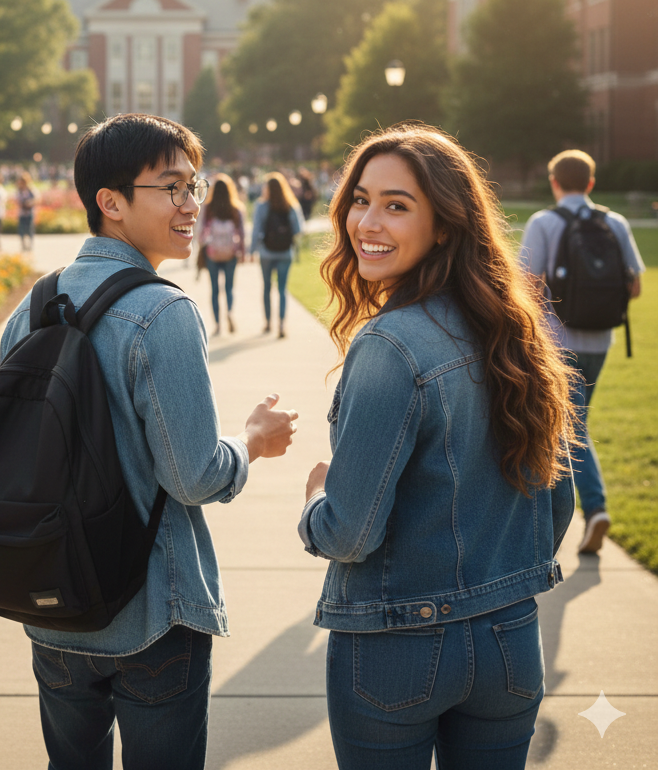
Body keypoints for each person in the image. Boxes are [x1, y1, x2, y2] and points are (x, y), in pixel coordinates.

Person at [0, 113, 298, 770]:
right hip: (149, 613)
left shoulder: (34, 304)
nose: (192, 204)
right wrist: (251, 442)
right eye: (171, 188)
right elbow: (192, 475)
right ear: (111, 202)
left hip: (49, 598)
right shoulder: (161, 312)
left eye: (195, 184)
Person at [299, 124, 576, 770]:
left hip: (398, 650)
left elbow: (349, 534)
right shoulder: (515, 331)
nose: (367, 221)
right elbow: (556, 501)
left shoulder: (390, 346)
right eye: (360, 199)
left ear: (446, 225)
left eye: (398, 205)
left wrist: (315, 499)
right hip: (509, 641)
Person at [519, 149, 644, 554]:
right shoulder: (615, 222)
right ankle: (583, 511)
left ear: (554, 182)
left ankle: (594, 508)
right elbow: (634, 286)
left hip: (558, 342)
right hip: (602, 340)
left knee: (569, 429)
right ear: (591, 183)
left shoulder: (544, 222)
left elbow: (525, 286)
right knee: (574, 423)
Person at [250, 171, 303, 338]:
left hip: (266, 252)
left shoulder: (261, 205)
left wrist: (252, 250)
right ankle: (281, 324)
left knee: (266, 288)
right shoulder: (291, 205)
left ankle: (267, 322)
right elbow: (299, 229)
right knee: (282, 289)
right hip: (285, 252)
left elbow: (256, 229)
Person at [198, 172, 247, 335]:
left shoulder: (208, 208)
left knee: (214, 289)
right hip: (230, 253)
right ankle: (230, 312)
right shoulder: (236, 208)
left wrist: (202, 245)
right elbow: (242, 232)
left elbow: (201, 232)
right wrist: (242, 251)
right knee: (229, 288)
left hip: (213, 253)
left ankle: (218, 324)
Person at [16, 171, 38, 251]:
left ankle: (30, 245)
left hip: (29, 212)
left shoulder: (31, 189)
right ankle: (23, 245)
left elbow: (37, 198)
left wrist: (30, 203)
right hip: (22, 212)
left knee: (30, 229)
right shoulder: (19, 190)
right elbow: (17, 199)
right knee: (22, 229)